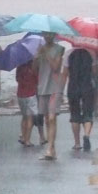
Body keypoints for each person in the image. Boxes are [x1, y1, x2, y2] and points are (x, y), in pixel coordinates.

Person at [35, 32, 64, 160]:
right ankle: (52, 149)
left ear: (54, 35)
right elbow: (35, 70)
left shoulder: (59, 49)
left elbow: (56, 67)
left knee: (52, 118)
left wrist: (46, 53)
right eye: (45, 34)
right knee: (47, 119)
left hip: (55, 87)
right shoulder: (40, 49)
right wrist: (36, 57)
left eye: (50, 34)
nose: (47, 37)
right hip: (42, 87)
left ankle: (49, 148)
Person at [63, 47, 98, 151]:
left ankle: (77, 143)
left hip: (73, 86)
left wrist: (60, 91)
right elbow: (95, 71)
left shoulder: (68, 53)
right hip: (87, 86)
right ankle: (86, 135)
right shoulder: (91, 52)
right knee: (88, 113)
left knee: (74, 115)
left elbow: (65, 73)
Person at [15, 57, 42, 147]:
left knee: (24, 117)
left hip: (20, 94)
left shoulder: (19, 66)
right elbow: (38, 81)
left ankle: (23, 137)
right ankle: (27, 140)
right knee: (30, 118)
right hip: (30, 94)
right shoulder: (33, 67)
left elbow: (17, 79)